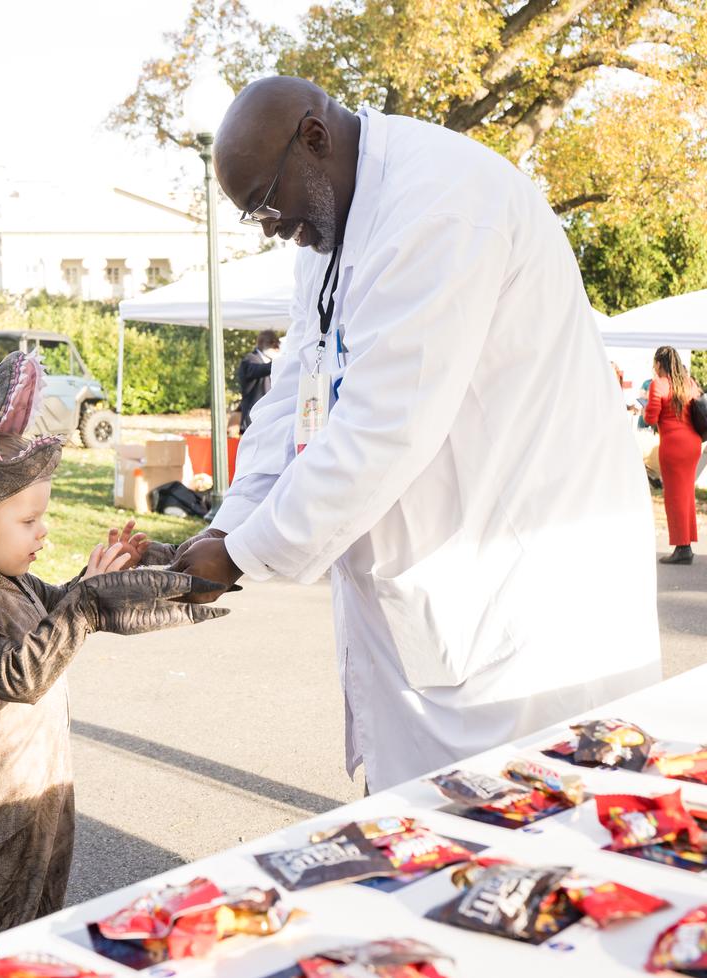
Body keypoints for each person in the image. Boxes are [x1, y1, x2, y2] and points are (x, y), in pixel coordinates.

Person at [171, 76, 660, 792]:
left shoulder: (442, 205)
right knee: (420, 832)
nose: (271, 228)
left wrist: (240, 557)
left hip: (519, 589)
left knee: (524, 835)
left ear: (315, 139)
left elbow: (381, 430)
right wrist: (226, 527)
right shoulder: (326, 232)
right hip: (429, 592)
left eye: (266, 204)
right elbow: (294, 397)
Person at [0, 352, 227, 976]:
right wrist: (85, 599)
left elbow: (86, 611)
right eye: (29, 520)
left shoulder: (20, 585)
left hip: (38, 796)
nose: (42, 533)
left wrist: (152, 577)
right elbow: (21, 674)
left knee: (32, 926)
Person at [644, 346, 702, 564]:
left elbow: (651, 418)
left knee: (674, 497)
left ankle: (682, 548)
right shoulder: (689, 383)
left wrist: (645, 410)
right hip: (693, 445)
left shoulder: (658, 384)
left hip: (673, 446)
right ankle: (686, 543)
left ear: (660, 363)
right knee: (686, 494)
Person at [237, 329, 282, 432]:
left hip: (266, 416)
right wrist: (280, 362)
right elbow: (257, 369)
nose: (276, 348)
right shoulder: (250, 359)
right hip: (253, 417)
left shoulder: (269, 361)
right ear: (261, 343)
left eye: (277, 344)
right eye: (272, 344)